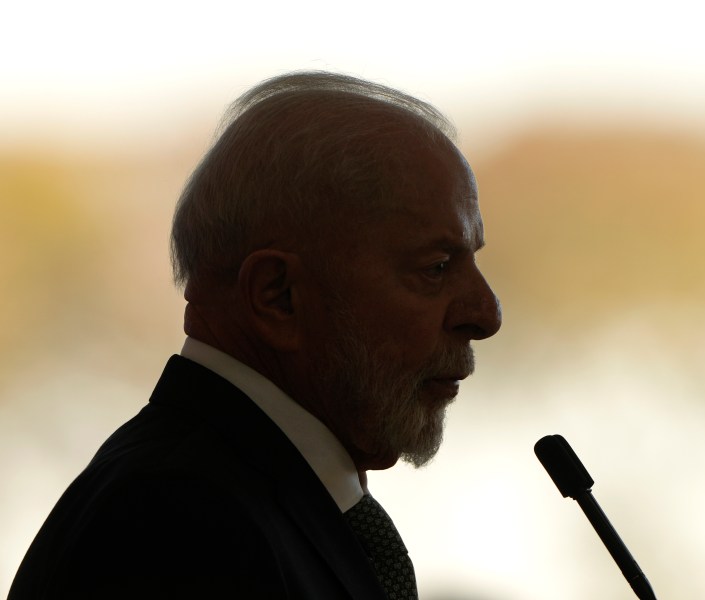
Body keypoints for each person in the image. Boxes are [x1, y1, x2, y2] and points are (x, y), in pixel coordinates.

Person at [9, 71, 502, 600]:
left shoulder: (238, 496)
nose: (486, 314)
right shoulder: (178, 524)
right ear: (277, 296)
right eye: (435, 267)